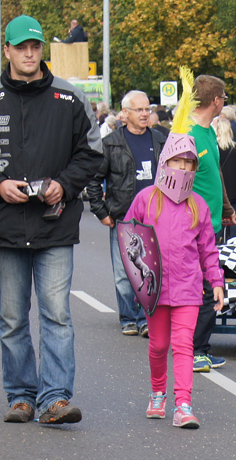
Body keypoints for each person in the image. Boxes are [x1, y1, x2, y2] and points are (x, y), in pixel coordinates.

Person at [0, 15, 103, 424]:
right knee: (13, 317)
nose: (30, 53)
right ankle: (20, 395)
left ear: (42, 50)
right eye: (21, 47)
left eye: (35, 46)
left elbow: (91, 153)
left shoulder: (69, 98)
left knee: (57, 314)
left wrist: (65, 185)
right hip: (3, 224)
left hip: (54, 223)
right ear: (7, 51)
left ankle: (54, 398)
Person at [124, 124, 226, 428]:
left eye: (188, 163)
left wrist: (217, 281)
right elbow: (129, 236)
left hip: (188, 288)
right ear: (164, 162)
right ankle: (158, 392)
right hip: (154, 289)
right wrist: (136, 280)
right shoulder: (146, 199)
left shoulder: (198, 205)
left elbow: (208, 248)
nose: (182, 169)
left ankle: (183, 404)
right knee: (157, 346)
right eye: (176, 162)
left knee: (184, 345)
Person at [85, 90, 166, 337]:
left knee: (151, 268)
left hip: (156, 216)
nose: (145, 114)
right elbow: (94, 179)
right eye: (139, 110)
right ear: (125, 114)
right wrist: (101, 211)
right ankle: (128, 317)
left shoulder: (161, 139)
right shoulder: (110, 143)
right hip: (123, 215)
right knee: (124, 271)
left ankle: (145, 318)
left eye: (147, 109)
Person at [189, 75, 236, 373]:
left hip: (212, 223)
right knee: (206, 288)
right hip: (193, 226)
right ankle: (196, 350)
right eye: (224, 98)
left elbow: (214, 175)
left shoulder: (208, 130)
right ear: (216, 100)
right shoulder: (188, 133)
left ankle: (196, 347)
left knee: (207, 286)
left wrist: (227, 207)